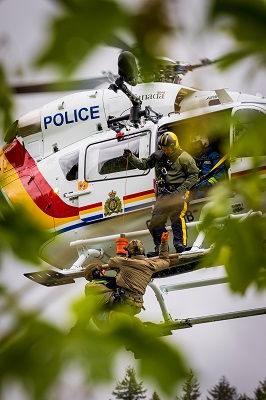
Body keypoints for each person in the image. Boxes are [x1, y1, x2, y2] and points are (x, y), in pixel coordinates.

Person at [123, 131, 199, 256]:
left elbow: (194, 175)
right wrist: (131, 157)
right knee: (154, 223)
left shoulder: (185, 158)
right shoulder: (158, 156)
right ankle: (160, 248)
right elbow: (144, 164)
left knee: (177, 217)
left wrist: (181, 190)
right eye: (163, 148)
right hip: (163, 194)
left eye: (168, 148)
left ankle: (180, 245)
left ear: (174, 146)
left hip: (179, 193)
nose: (166, 151)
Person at [84, 231, 170, 329]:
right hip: (137, 306)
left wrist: (123, 255)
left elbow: (112, 262)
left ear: (129, 253)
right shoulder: (151, 265)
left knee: (92, 299)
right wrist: (164, 242)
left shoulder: (123, 262)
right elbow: (165, 261)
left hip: (123, 303)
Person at [190, 134, 227, 199]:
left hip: (211, 189)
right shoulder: (197, 159)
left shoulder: (213, 156)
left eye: (196, 144)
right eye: (193, 145)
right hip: (199, 189)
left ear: (204, 143)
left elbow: (221, 173)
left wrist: (209, 184)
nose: (194, 147)